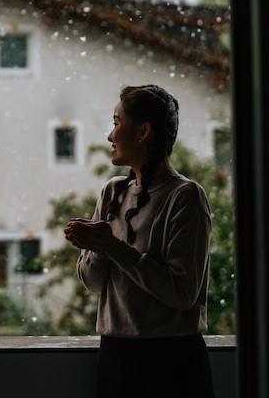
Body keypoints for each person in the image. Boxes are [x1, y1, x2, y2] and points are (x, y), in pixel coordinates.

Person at [65, 85, 215, 398]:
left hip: (172, 361)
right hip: (116, 357)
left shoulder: (185, 197)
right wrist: (94, 246)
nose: (109, 135)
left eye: (117, 122)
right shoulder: (112, 192)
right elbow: (93, 282)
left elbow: (182, 293)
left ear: (143, 131)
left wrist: (112, 247)